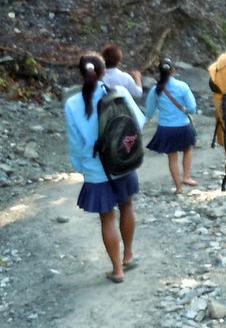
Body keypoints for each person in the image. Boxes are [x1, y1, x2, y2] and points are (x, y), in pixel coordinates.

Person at [64, 53, 146, 283]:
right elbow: (138, 122)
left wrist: (82, 167)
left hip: (95, 168)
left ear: (80, 73)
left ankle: (117, 270)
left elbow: (76, 143)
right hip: (122, 162)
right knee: (127, 206)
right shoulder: (120, 94)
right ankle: (129, 255)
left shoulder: (72, 104)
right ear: (103, 72)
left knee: (107, 218)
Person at [145, 58, 198, 194]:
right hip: (183, 126)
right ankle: (187, 177)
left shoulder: (155, 90)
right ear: (173, 70)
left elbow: (150, 110)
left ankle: (178, 188)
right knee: (187, 150)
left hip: (166, 128)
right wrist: (186, 111)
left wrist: (148, 118)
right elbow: (192, 108)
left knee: (172, 157)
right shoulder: (183, 86)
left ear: (159, 72)